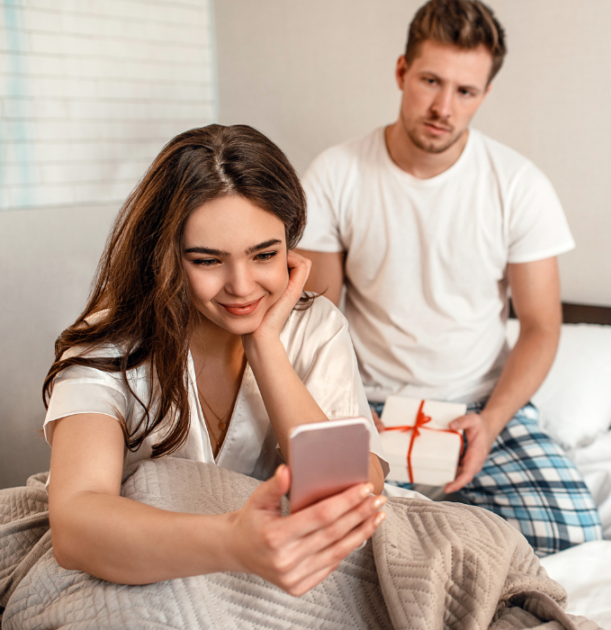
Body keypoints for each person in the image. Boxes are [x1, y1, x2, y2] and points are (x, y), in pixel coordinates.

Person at [298, 0, 602, 556]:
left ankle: (435, 534)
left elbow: (540, 326)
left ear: (484, 95)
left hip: (479, 403)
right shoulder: (335, 173)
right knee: (329, 540)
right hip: (368, 399)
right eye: (430, 81)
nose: (443, 107)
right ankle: (437, 539)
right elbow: (320, 314)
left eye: (465, 91)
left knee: (574, 535)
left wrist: (492, 420)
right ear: (401, 73)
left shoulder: (518, 184)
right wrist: (342, 406)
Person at [42, 124, 388, 596]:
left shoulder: (314, 326)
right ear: (164, 256)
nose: (242, 287)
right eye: (207, 261)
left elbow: (353, 494)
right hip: (159, 565)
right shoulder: (109, 345)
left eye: (264, 255)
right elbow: (76, 523)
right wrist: (234, 543)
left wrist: (266, 348)